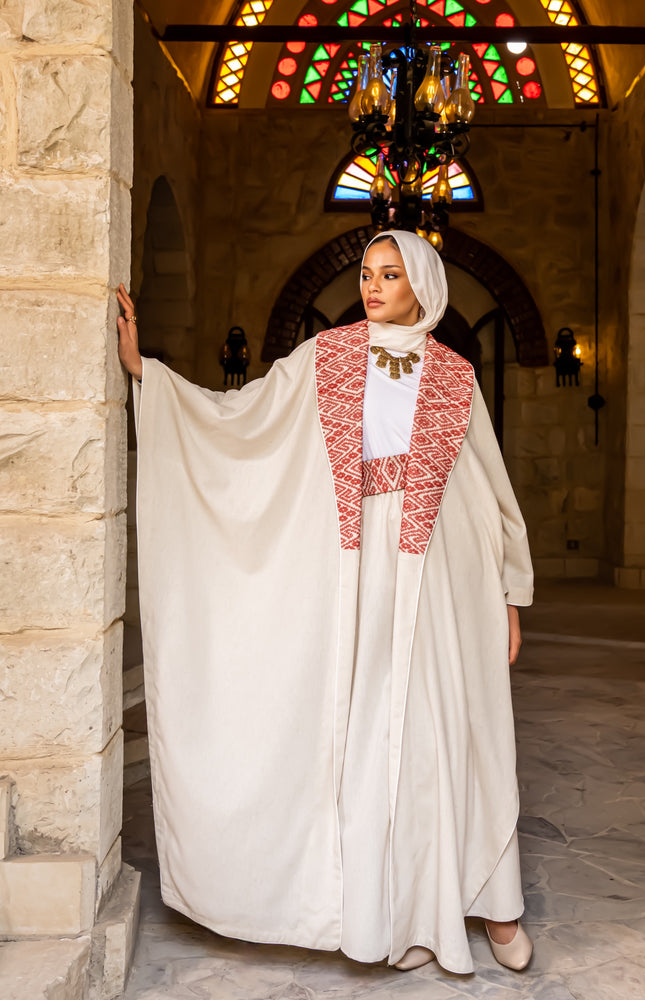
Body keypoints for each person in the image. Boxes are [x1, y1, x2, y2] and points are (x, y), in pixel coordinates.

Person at [117, 230, 534, 974]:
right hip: (355, 564)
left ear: (423, 287)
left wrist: (508, 590)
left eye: (390, 275)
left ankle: (494, 907)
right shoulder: (327, 356)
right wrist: (151, 377)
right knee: (371, 727)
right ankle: (394, 911)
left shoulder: (455, 375)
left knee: (447, 727)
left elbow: (489, 487)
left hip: (442, 569)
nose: (372, 287)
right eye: (367, 274)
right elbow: (242, 418)